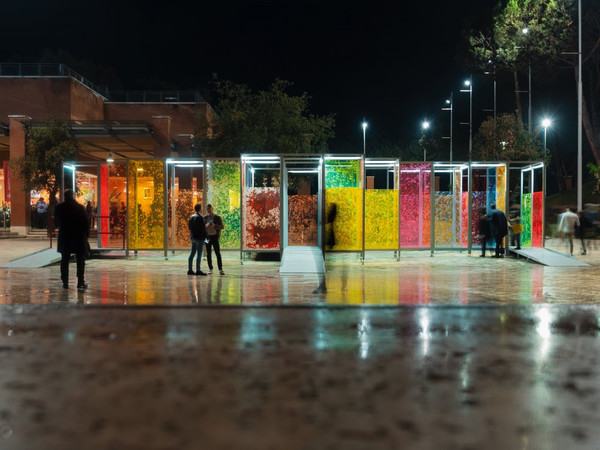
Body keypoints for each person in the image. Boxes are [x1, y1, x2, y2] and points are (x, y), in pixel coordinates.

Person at [54, 189, 90, 289]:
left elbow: (56, 222)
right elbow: (86, 223)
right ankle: (80, 281)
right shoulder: (80, 208)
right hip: (78, 237)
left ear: (64, 196)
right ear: (72, 196)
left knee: (65, 260)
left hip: (65, 237)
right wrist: (86, 236)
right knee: (80, 260)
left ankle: (65, 282)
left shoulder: (59, 208)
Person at [204, 204, 225, 275]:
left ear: (212, 209)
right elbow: (202, 228)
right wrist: (206, 226)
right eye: (207, 209)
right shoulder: (205, 218)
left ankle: (220, 269)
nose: (208, 210)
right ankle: (210, 269)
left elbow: (222, 227)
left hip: (215, 237)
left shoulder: (217, 217)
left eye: (209, 209)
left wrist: (214, 225)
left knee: (217, 253)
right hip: (207, 238)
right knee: (208, 254)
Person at [188, 203, 208, 276]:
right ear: (200, 209)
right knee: (199, 254)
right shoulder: (200, 217)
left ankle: (190, 269)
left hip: (193, 237)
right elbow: (203, 229)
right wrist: (206, 237)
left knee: (192, 253)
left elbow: (189, 228)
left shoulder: (191, 217)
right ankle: (198, 270)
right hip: (199, 238)